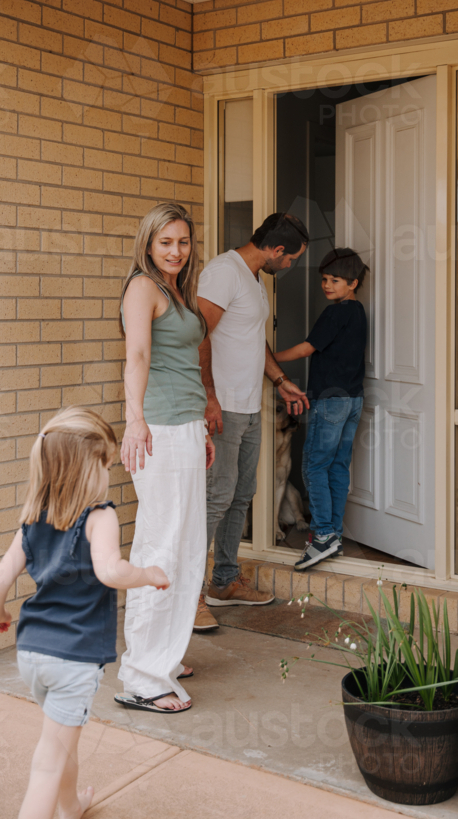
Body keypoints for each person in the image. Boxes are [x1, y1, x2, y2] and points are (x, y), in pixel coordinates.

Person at [0, 406, 169, 819]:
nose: (109, 471)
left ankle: (71, 807)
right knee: (48, 760)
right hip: (73, 659)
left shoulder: (31, 520)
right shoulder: (99, 516)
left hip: (32, 654)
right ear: (86, 468)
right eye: (105, 463)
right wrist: (147, 574)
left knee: (61, 743)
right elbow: (110, 571)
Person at [117, 202, 215, 710]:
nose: (176, 251)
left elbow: (185, 362)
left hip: (185, 426)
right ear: (149, 244)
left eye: (182, 241)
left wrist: (200, 426)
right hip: (158, 428)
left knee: (186, 547)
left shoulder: (177, 289)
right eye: (165, 243)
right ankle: (141, 676)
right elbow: (137, 355)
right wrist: (135, 419)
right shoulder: (142, 287)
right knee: (159, 547)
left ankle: (164, 654)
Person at [194, 213, 310, 631]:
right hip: (222, 404)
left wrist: (280, 380)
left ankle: (225, 581)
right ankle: (189, 597)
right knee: (216, 497)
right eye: (292, 259)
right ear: (277, 251)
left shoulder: (254, 278)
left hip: (248, 404)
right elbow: (199, 335)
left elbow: (250, 338)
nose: (291, 266)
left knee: (242, 492)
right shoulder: (223, 273)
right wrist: (208, 396)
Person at [274, 247, 368, 571]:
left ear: (353, 283)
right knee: (338, 467)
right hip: (353, 401)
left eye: (335, 280)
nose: (327, 285)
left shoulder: (335, 313)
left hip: (330, 402)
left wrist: (269, 359)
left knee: (314, 467)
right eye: (325, 279)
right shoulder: (359, 313)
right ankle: (335, 536)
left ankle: (324, 536)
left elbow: (306, 348)